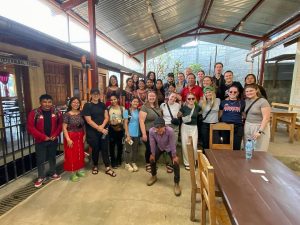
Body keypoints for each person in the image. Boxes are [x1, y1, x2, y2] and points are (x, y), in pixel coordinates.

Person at [27, 94, 62, 188]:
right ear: (40, 102)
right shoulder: (34, 113)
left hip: (53, 140)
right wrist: (43, 137)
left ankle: (53, 173)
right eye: (44, 102)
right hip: (40, 141)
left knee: (52, 157)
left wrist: (55, 134)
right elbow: (30, 127)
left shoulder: (57, 112)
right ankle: (41, 176)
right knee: (40, 159)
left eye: (49, 102)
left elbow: (60, 125)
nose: (47, 104)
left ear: (52, 102)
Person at [82, 88, 116, 177]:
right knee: (95, 149)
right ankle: (95, 166)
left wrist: (102, 127)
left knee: (105, 148)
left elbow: (106, 117)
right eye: (94, 94)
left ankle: (107, 167)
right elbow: (88, 120)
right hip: (92, 132)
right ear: (91, 95)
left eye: (97, 94)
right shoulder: (87, 106)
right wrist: (99, 128)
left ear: (100, 95)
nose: (96, 95)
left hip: (103, 130)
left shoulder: (102, 105)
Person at [146, 118, 181, 197]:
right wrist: (152, 154)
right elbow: (152, 143)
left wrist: (174, 156)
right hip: (160, 147)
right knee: (152, 159)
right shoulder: (152, 131)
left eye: (160, 127)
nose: (159, 130)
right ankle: (154, 176)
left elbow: (172, 144)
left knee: (176, 162)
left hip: (169, 147)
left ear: (164, 126)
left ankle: (176, 183)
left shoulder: (170, 131)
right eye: (157, 128)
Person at [62, 97, 86, 182]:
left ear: (80, 104)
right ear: (70, 103)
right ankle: (72, 173)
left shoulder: (81, 113)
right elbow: (64, 128)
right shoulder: (67, 114)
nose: (76, 104)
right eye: (74, 102)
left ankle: (78, 170)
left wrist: (84, 135)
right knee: (71, 154)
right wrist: (68, 139)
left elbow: (83, 126)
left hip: (80, 135)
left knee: (80, 154)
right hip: (71, 136)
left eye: (77, 102)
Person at [139, 91, 162, 173]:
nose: (152, 97)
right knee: (149, 148)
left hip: (157, 132)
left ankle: (153, 162)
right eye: (150, 96)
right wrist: (144, 134)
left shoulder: (157, 106)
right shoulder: (144, 107)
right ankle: (148, 163)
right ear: (147, 97)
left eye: (153, 96)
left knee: (155, 149)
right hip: (148, 131)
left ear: (155, 97)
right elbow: (141, 121)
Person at [244, 84, 271, 151]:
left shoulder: (263, 101)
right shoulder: (246, 101)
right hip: (248, 125)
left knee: (259, 148)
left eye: (251, 91)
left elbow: (266, 118)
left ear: (256, 91)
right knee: (248, 146)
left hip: (259, 126)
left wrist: (260, 131)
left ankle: (259, 161)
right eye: (247, 91)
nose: (249, 93)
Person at [219, 85, 245, 150]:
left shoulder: (242, 102)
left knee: (236, 146)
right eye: (230, 92)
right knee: (225, 145)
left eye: (235, 92)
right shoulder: (223, 102)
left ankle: (235, 160)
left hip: (238, 126)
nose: (232, 93)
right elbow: (220, 114)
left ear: (238, 93)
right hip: (225, 126)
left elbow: (244, 114)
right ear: (228, 93)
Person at [179, 93, 201, 170]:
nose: (191, 100)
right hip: (185, 127)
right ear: (186, 100)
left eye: (192, 98)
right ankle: (187, 163)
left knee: (194, 146)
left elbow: (200, 114)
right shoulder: (183, 108)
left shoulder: (198, 107)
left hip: (194, 127)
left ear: (195, 99)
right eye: (189, 99)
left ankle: (193, 162)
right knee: (185, 145)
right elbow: (178, 115)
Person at [200, 86, 220, 151]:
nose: (208, 94)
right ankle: (205, 159)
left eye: (209, 92)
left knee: (215, 143)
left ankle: (214, 159)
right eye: (206, 93)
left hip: (215, 124)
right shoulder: (202, 102)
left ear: (213, 92)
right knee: (205, 143)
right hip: (205, 124)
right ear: (204, 94)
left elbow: (221, 111)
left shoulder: (218, 100)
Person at [108, 94, 125, 168]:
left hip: (120, 129)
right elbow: (106, 118)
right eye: (111, 100)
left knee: (120, 146)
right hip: (111, 129)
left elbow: (126, 119)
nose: (113, 101)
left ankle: (119, 159)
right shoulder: (108, 108)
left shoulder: (123, 108)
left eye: (114, 99)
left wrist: (119, 120)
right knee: (111, 146)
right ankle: (113, 161)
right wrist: (110, 121)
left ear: (118, 99)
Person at [123, 97, 140, 172]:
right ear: (131, 102)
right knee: (128, 150)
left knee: (135, 149)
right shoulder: (127, 111)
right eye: (134, 101)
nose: (135, 103)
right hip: (129, 133)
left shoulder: (139, 111)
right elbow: (125, 123)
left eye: (137, 102)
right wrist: (128, 135)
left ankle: (133, 162)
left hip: (137, 134)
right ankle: (127, 164)